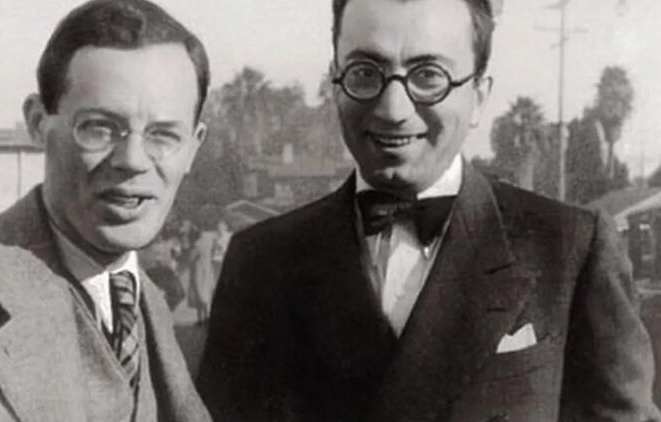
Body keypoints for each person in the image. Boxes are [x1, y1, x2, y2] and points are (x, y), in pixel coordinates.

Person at [197, 0, 660, 420]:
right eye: (364, 72)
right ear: (336, 82)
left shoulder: (568, 249)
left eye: (428, 75)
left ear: (479, 95)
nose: (393, 109)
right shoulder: (260, 262)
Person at [0, 0, 212, 420]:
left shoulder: (152, 306)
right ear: (38, 123)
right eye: (100, 127)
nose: (132, 160)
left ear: (194, 146)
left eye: (163, 135)